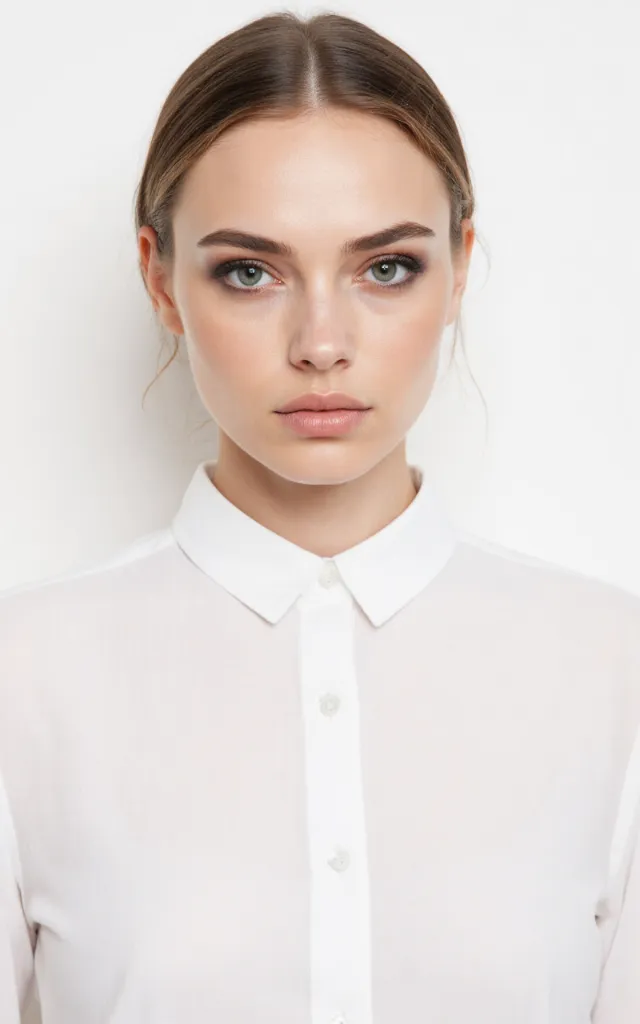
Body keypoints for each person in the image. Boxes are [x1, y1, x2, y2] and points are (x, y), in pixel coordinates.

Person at [1, 9, 639, 1024]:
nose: (322, 342)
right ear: (160, 278)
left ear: (459, 264)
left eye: (386, 266)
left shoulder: (613, 670)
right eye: (247, 271)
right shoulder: (23, 676)